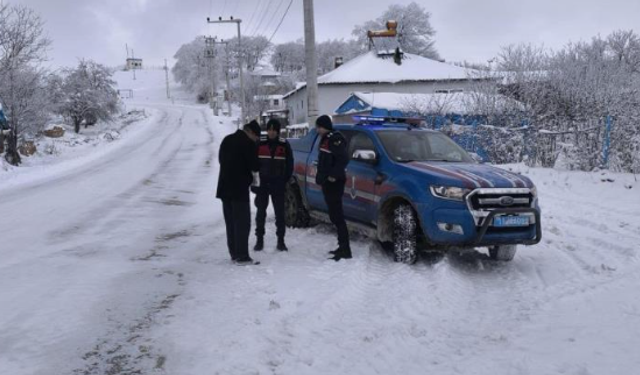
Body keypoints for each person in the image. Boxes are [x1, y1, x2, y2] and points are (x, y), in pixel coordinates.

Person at [216, 120, 262, 265]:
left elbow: (220, 160)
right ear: (251, 133)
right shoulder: (247, 143)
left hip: (224, 188)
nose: (256, 140)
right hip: (239, 189)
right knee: (242, 223)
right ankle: (242, 256)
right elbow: (255, 165)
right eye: (256, 137)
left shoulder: (227, 139)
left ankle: (234, 253)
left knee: (230, 223)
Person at [252, 119, 294, 252]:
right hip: (262, 184)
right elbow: (252, 164)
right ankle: (259, 240)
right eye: (269, 129)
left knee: (280, 214)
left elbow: (290, 165)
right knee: (260, 213)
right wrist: (254, 183)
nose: (271, 132)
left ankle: (281, 241)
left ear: (278, 131)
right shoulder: (259, 143)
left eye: (274, 130)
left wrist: (284, 180)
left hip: (278, 184)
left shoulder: (284, 144)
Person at [314, 115, 352, 261]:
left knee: (337, 216)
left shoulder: (335, 139)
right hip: (327, 183)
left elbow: (343, 159)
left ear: (324, 126)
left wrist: (333, 176)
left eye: (319, 127)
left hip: (334, 183)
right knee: (334, 215)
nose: (317, 130)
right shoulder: (325, 139)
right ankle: (341, 246)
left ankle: (345, 249)